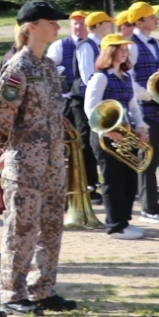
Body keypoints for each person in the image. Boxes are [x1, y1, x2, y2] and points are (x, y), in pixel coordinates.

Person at [0, 2, 78, 315]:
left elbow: (49, 110)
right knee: (21, 229)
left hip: (52, 163)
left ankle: (43, 289)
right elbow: (1, 115)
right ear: (31, 26)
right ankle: (12, 293)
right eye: (51, 22)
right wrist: (3, 151)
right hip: (25, 164)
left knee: (51, 227)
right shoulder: (18, 68)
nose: (57, 26)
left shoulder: (47, 67)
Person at [86, 32, 148, 240]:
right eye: (119, 49)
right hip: (105, 137)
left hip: (125, 133)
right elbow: (90, 108)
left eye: (125, 50)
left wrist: (140, 127)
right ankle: (115, 226)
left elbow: (133, 106)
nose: (124, 53)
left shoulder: (127, 76)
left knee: (129, 179)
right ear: (109, 51)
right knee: (113, 181)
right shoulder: (100, 77)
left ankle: (124, 221)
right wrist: (106, 131)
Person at [51, 11, 100, 200]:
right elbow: (50, 70)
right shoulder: (59, 46)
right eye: (75, 24)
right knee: (69, 143)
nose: (79, 27)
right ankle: (70, 187)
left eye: (82, 24)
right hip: (67, 101)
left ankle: (90, 185)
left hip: (84, 101)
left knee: (86, 141)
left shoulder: (92, 45)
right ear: (70, 26)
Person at [125, 2, 159, 223]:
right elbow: (129, 80)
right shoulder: (131, 46)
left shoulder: (155, 43)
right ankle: (149, 209)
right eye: (151, 16)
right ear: (139, 21)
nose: (156, 19)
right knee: (148, 162)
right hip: (145, 113)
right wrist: (152, 95)